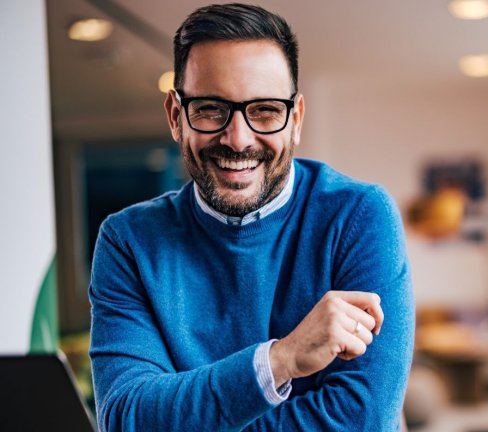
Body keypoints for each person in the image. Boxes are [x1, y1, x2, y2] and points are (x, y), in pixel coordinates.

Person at [88, 3, 414, 431]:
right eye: (209, 108)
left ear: (295, 119)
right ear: (175, 115)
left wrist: (192, 417)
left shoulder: (358, 216)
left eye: (264, 110)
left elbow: (363, 420)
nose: (238, 139)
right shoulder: (128, 241)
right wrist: (280, 361)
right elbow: (126, 417)